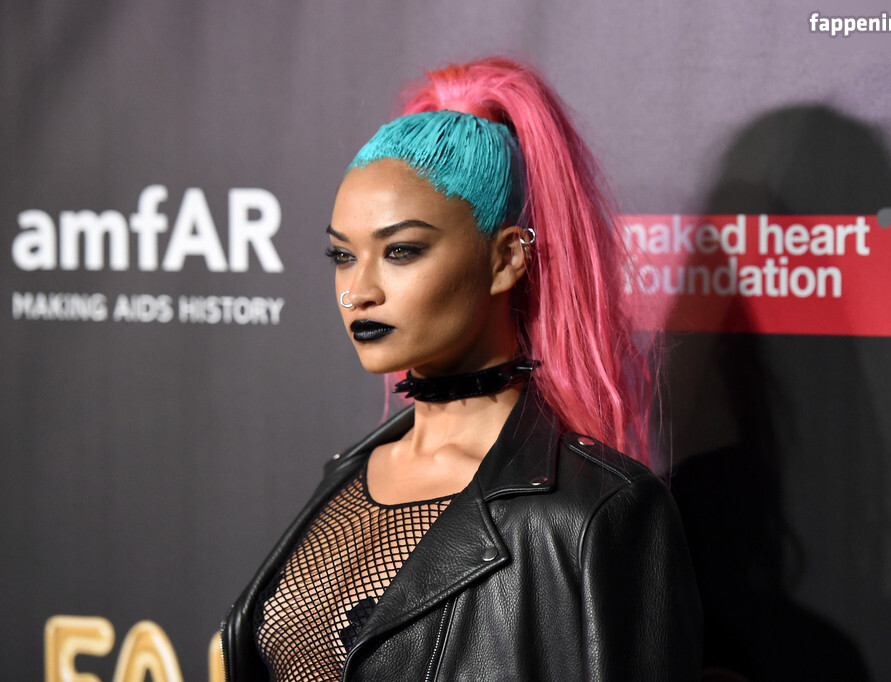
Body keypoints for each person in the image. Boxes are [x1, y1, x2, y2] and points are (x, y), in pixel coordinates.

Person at [221, 56, 701, 681]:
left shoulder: (595, 514)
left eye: (400, 251)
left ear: (505, 260)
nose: (357, 292)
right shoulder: (346, 476)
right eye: (342, 256)